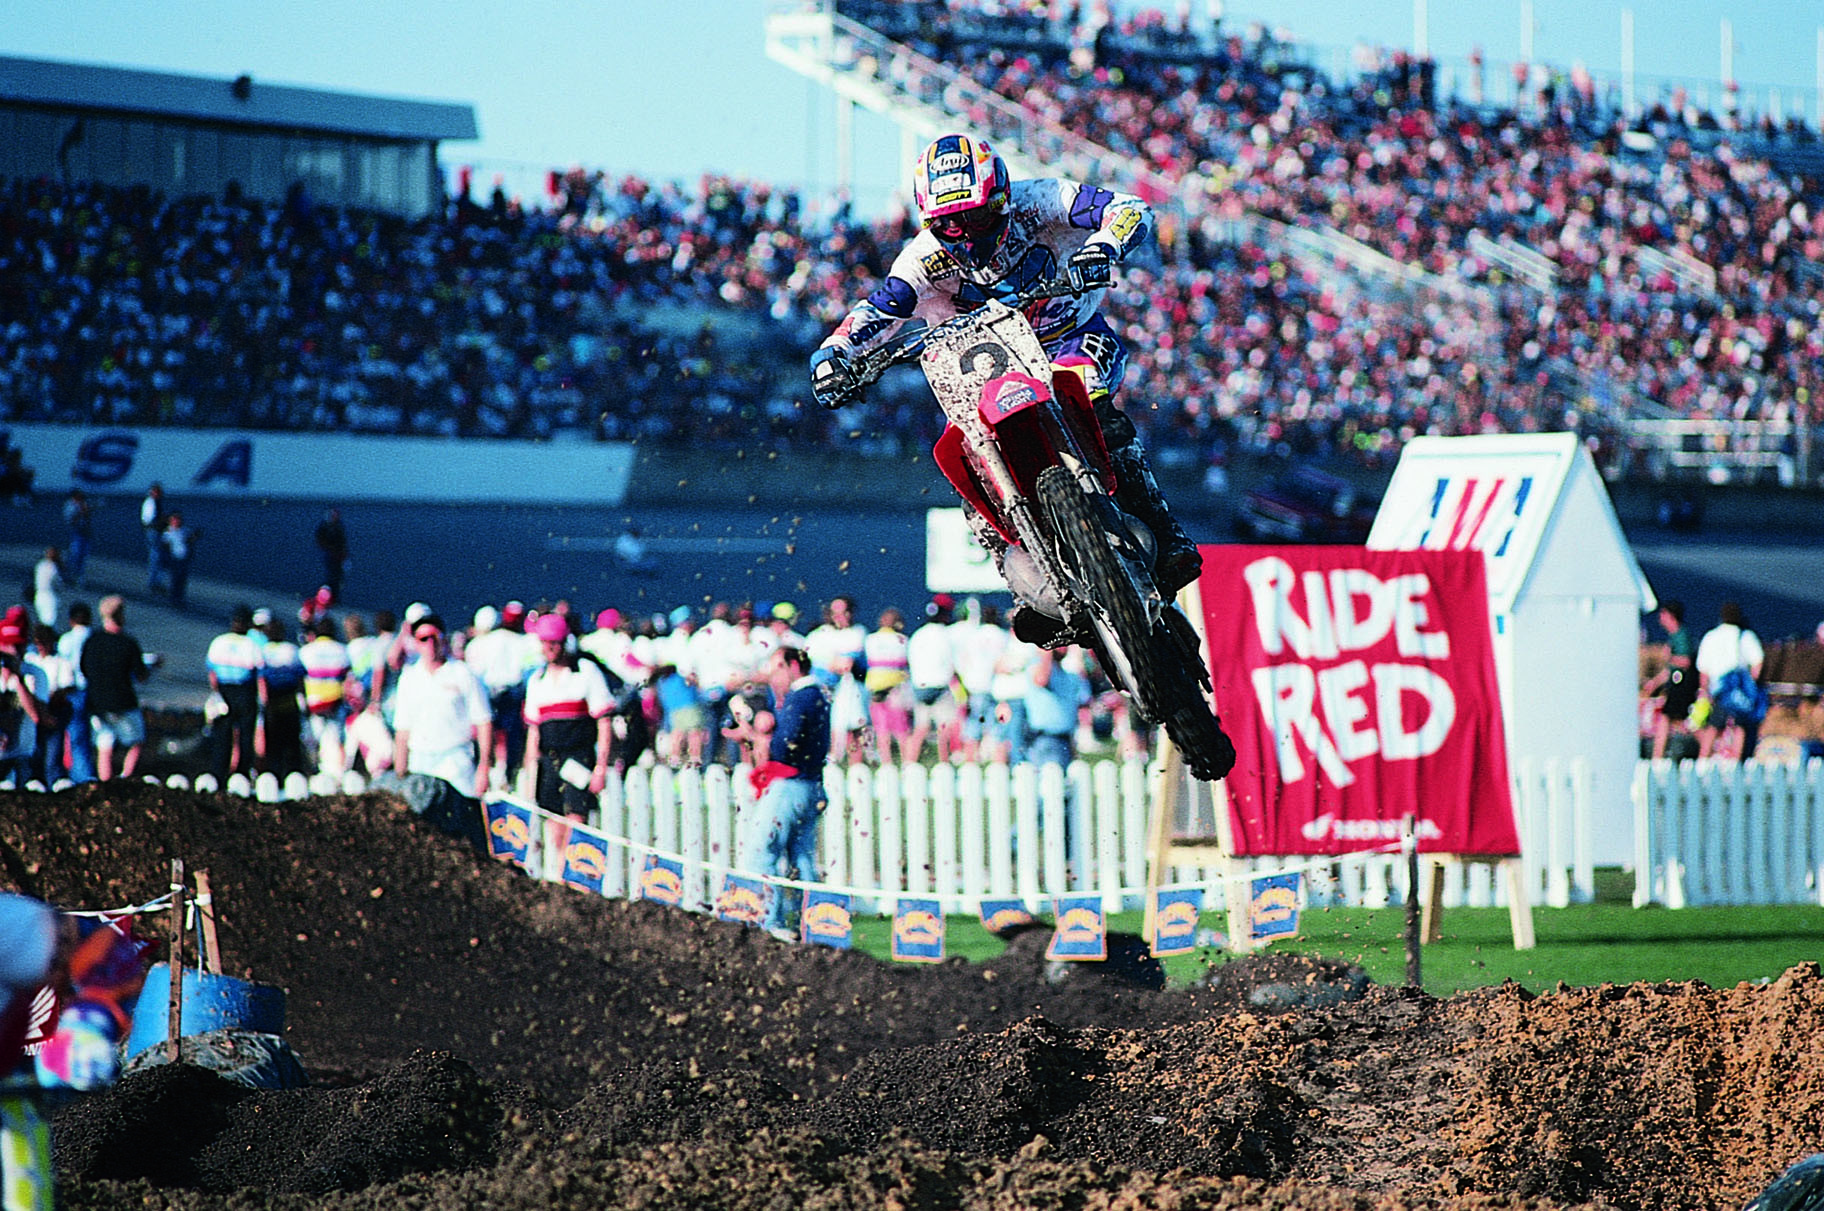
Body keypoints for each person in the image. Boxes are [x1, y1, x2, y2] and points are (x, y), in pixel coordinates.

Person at [809, 131, 1198, 647]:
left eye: (976, 217)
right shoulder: (921, 261)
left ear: (1002, 199)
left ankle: (1164, 530)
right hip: (983, 371)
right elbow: (880, 308)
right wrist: (834, 353)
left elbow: (1130, 209)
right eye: (949, 224)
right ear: (929, 222)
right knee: (970, 470)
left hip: (1068, 340)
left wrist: (1103, 247)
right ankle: (1029, 589)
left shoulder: (1045, 200)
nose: (965, 234)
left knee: (1091, 396)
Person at [729, 639, 831, 939]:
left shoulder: (800, 697)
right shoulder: (819, 694)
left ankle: (769, 922)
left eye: (777, 668)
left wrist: (759, 738)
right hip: (811, 783)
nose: (772, 676)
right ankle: (812, 924)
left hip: (790, 783)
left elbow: (786, 744)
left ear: (794, 666)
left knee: (762, 850)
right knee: (802, 858)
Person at [521, 613, 614, 821]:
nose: (549, 648)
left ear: (564, 642)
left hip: (579, 758)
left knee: (577, 820)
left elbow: (604, 722)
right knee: (553, 823)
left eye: (554, 642)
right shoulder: (537, 680)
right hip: (549, 762)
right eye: (545, 642)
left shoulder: (585, 672)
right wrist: (530, 774)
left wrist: (600, 768)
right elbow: (534, 733)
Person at [390, 613, 493, 801]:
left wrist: (484, 767)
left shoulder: (463, 673)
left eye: (435, 637)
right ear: (416, 643)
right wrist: (400, 772)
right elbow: (402, 730)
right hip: (420, 761)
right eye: (423, 639)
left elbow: (483, 721)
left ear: (444, 638)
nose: (430, 643)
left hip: (456, 760)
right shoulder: (409, 678)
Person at [78, 596, 154, 782]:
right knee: (137, 741)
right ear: (120, 615)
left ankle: (105, 785)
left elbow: (84, 669)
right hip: (123, 701)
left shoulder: (92, 641)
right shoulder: (128, 643)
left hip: (97, 702)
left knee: (104, 746)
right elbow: (141, 675)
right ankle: (126, 778)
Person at [1695, 601, 1766, 760]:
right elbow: (1758, 662)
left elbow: (1703, 669)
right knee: (1740, 726)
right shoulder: (1746, 636)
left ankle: (1703, 759)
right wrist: (1751, 684)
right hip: (1738, 690)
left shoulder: (1710, 636)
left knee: (1713, 726)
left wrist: (1705, 691)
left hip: (1718, 690)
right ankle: (1736, 761)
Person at [205, 605, 264, 784]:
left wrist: (216, 693)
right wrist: (263, 700)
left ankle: (218, 775)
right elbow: (260, 674)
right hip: (245, 692)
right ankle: (242, 775)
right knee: (245, 736)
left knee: (222, 736)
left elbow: (212, 673)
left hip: (224, 691)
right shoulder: (251, 645)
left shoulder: (219, 642)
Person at [906, 595, 961, 764]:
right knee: (944, 727)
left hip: (919, 686)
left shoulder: (918, 635)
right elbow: (953, 662)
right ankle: (944, 763)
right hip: (940, 685)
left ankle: (909, 763)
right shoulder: (946, 634)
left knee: (920, 728)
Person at [298, 616, 352, 779]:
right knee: (334, 743)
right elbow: (348, 680)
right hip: (334, 705)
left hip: (313, 704)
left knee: (311, 744)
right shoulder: (342, 651)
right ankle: (336, 778)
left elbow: (299, 680)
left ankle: (313, 774)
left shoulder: (306, 651)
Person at [1644, 600, 1698, 760]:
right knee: (1676, 720)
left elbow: (1685, 661)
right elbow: (1670, 670)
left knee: (1668, 718)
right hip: (1676, 684)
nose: (1660, 618)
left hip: (1682, 685)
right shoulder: (1674, 637)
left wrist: (1669, 657)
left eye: (1663, 614)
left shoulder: (1681, 636)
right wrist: (1655, 682)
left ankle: (1658, 756)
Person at [256, 617, 307, 781]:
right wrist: (302, 697)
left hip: (274, 701)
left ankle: (275, 775)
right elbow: (300, 678)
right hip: (287, 700)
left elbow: (261, 679)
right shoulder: (291, 650)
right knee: (291, 742)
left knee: (274, 743)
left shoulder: (263, 651)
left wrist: (264, 702)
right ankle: (293, 774)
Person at [0, 613, 48, 788]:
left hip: (22, 755)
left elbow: (38, 716)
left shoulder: (35, 674)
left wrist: (18, 679)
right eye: (7, 646)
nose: (13, 652)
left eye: (18, 646)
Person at [863, 606, 914, 765]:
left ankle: (886, 763)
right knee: (902, 729)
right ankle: (907, 762)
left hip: (875, 687)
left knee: (881, 729)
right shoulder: (902, 640)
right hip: (895, 687)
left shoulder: (870, 639)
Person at [55, 602, 97, 784]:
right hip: (94, 691)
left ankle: (81, 777)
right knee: (99, 736)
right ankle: (90, 774)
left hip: (73, 691)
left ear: (71, 620)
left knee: (76, 736)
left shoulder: (66, 640)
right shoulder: (95, 637)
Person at [160, 513, 196, 609]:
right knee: (175, 578)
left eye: (178, 520)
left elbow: (191, 540)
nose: (177, 522)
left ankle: (180, 597)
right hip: (174, 558)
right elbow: (165, 546)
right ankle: (174, 598)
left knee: (182, 579)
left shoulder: (185, 530)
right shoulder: (168, 532)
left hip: (184, 558)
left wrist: (194, 538)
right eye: (174, 520)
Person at [313, 508, 349, 602]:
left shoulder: (339, 527)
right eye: (333, 515)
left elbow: (342, 542)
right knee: (330, 577)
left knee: (337, 577)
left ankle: (334, 598)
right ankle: (324, 598)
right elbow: (320, 539)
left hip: (338, 556)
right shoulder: (325, 526)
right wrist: (328, 549)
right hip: (329, 555)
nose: (335, 517)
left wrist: (343, 554)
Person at [61, 489, 93, 588]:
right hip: (75, 531)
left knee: (83, 556)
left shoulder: (84, 503)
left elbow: (87, 518)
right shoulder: (70, 506)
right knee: (74, 555)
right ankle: (67, 576)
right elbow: (70, 520)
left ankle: (79, 577)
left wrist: (86, 511)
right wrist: (81, 511)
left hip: (84, 532)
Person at [139, 482, 165, 592]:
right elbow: (148, 520)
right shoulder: (151, 503)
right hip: (153, 531)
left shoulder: (155, 502)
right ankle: (153, 582)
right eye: (157, 491)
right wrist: (162, 522)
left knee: (156, 556)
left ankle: (155, 581)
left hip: (154, 530)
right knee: (156, 556)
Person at [32, 547, 62, 630]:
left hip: (39, 594)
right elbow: (58, 583)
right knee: (49, 622)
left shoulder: (40, 565)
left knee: (42, 619)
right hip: (49, 595)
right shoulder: (53, 568)